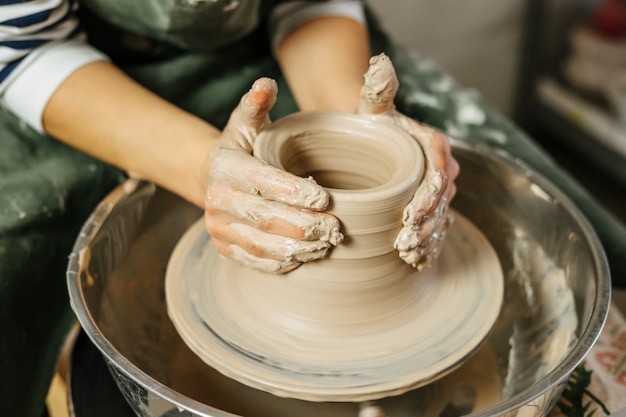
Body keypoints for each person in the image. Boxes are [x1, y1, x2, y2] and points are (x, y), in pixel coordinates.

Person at [2, 1, 625, 416]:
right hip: (76, 89)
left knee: (587, 258)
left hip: (273, 58)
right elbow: (23, 44)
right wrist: (204, 171)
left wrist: (358, 121)